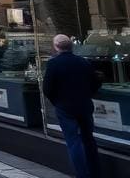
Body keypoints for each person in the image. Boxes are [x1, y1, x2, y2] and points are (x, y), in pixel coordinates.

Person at [42, 34, 102, 178]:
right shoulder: (83, 62)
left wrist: (56, 101)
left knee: (73, 140)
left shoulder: (53, 64)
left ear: (56, 47)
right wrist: (88, 94)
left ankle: (82, 174)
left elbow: (47, 88)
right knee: (88, 138)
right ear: (71, 46)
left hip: (65, 106)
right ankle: (95, 172)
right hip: (84, 104)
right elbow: (95, 82)